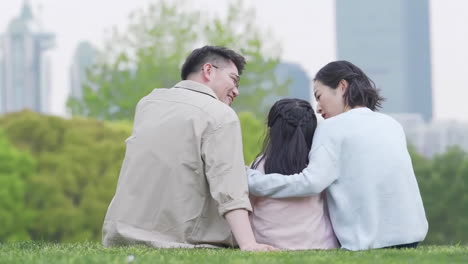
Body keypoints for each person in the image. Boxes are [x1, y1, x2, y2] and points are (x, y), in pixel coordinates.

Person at [102, 45, 274, 251]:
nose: (236, 90)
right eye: (233, 79)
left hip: (121, 234)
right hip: (182, 241)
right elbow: (229, 185)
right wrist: (248, 244)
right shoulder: (220, 114)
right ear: (208, 71)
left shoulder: (148, 104)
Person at [248, 60, 428, 251]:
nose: (317, 107)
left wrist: (253, 181)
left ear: (342, 87)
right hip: (411, 236)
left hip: (370, 243)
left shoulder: (331, 128)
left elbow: (311, 183)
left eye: (319, 96)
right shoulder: (391, 124)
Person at [249, 98, 339, 250]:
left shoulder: (259, 166)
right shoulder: (316, 167)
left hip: (267, 243)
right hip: (318, 243)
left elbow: (246, 208)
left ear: (272, 130)